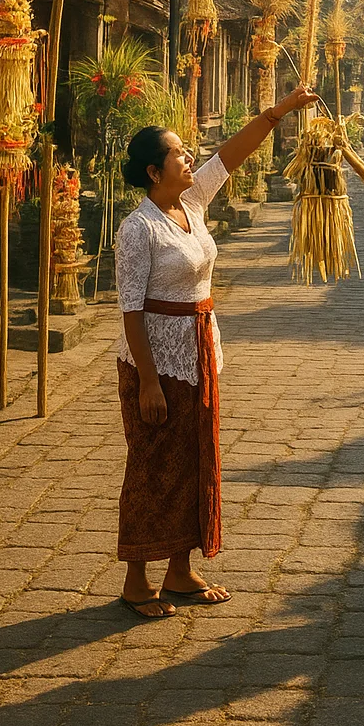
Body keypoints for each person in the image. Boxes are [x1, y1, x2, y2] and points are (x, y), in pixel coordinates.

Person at [114, 83, 318, 619]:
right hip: (154, 361)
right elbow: (132, 311)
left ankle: (179, 570)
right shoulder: (138, 229)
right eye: (179, 153)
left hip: (201, 350)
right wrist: (151, 382)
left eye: (187, 151)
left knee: (195, 459)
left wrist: (282, 109)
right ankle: (138, 580)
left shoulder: (192, 202)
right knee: (153, 464)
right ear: (154, 172)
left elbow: (233, 151)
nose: (190, 157)